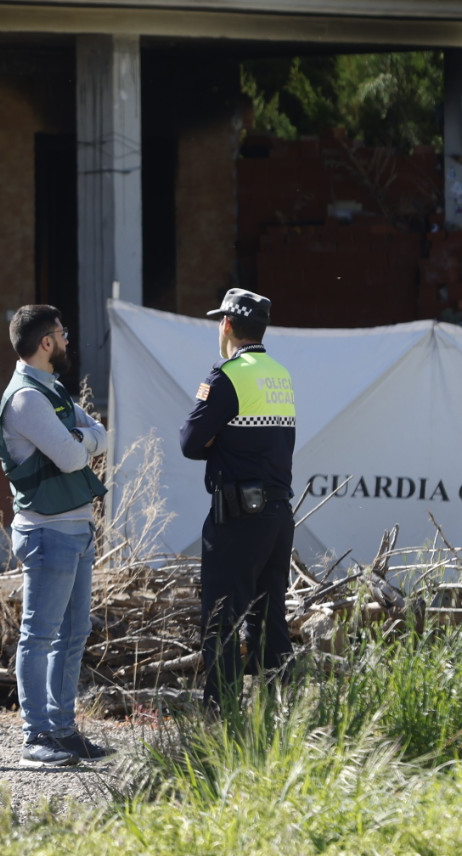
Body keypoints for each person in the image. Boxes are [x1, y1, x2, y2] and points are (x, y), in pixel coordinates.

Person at [0, 304, 113, 766]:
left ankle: (63, 730)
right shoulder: (26, 398)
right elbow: (71, 456)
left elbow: (99, 435)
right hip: (49, 534)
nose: (66, 340)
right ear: (46, 342)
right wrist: (83, 441)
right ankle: (36, 737)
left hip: (76, 530)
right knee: (40, 635)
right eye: (62, 333)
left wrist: (82, 440)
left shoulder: (52, 390)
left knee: (73, 633)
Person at [179, 288, 297, 706]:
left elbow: (191, 443)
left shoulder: (225, 376)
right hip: (279, 516)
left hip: (238, 518)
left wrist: (219, 443)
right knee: (270, 619)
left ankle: (223, 716)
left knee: (222, 619)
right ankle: (286, 713)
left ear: (226, 325)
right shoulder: (280, 374)